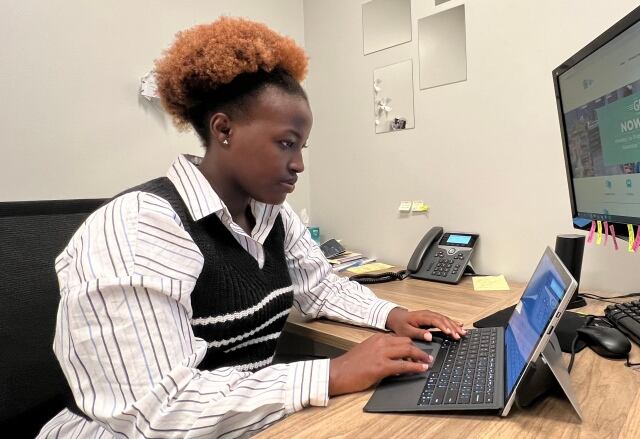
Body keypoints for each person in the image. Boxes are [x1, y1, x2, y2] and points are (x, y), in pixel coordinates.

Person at [37, 17, 465, 438]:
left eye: (301, 147)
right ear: (223, 129)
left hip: (240, 420)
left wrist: (394, 315)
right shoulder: (139, 225)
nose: (298, 164)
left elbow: (319, 287)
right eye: (285, 143)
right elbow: (161, 412)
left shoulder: (273, 215)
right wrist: (331, 373)